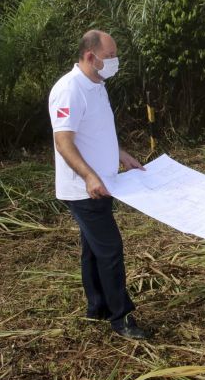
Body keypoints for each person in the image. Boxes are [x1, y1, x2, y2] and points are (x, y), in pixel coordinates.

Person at [48, 30, 150, 339]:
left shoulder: (97, 84)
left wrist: (122, 155)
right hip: (84, 189)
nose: (114, 63)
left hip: (104, 183)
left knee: (93, 250)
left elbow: (97, 132)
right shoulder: (69, 89)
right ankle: (122, 318)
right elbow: (64, 142)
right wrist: (90, 176)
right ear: (90, 56)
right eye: (109, 57)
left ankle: (98, 307)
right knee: (110, 249)